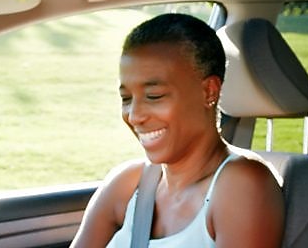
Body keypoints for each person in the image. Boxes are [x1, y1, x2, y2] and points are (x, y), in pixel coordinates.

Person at [71, 13, 285, 248]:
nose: (134, 116)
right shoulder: (126, 183)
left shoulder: (243, 184)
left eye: (154, 96)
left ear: (209, 91)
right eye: (126, 98)